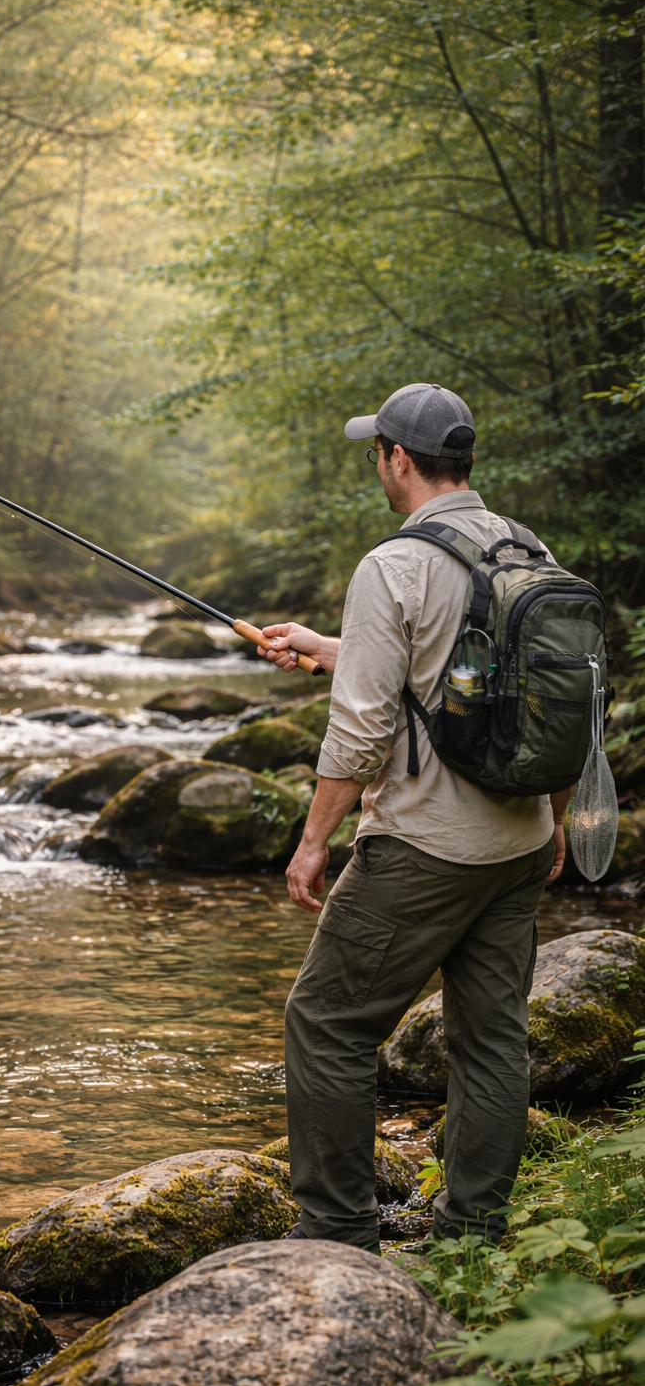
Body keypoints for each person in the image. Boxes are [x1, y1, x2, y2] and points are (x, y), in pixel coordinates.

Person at [259, 382, 568, 1254]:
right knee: (492, 1041)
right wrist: (329, 646)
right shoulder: (523, 546)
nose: (378, 466)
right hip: (518, 845)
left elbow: (360, 729)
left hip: (426, 849)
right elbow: (545, 695)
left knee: (326, 1024)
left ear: (399, 457)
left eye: (378, 452)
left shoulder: (392, 564)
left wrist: (313, 840)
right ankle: (472, 1238)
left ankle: (338, 1232)